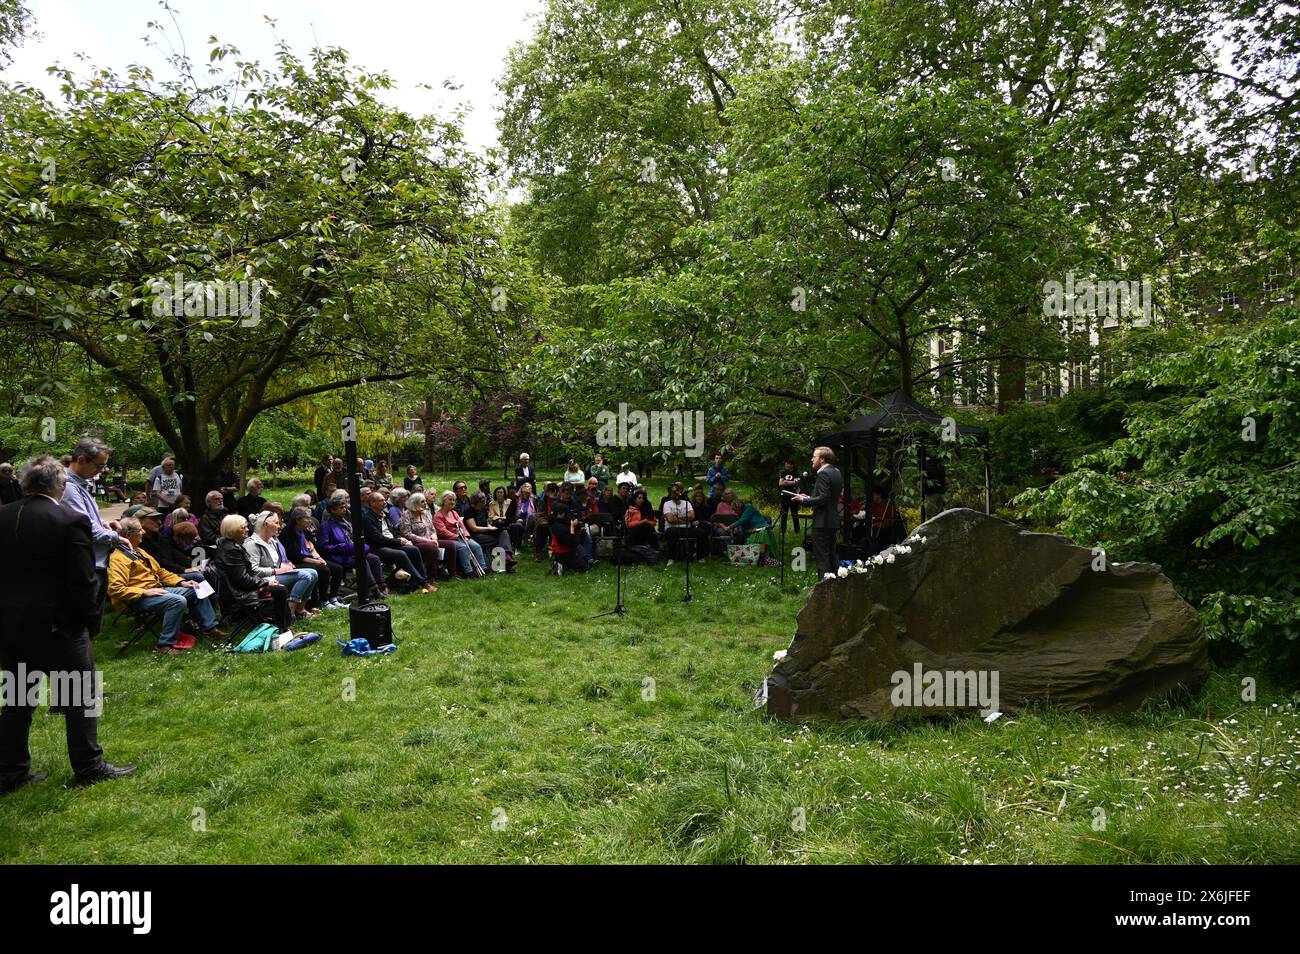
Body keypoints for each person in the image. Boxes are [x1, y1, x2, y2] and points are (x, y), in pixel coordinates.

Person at [0, 455, 136, 792]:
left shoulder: (2, 517)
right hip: (59, 626)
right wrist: (87, 623)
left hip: (11, 627)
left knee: (18, 700)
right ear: (60, 486)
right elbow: (84, 579)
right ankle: (88, 766)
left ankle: (11, 771)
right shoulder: (68, 520)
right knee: (79, 696)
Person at [110, 517, 223, 653]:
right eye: (140, 530)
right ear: (129, 535)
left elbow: (161, 572)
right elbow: (115, 589)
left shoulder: (138, 551)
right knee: (177, 601)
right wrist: (143, 592)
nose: (143, 532)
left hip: (156, 590)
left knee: (196, 588)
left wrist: (181, 582)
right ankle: (164, 645)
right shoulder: (118, 558)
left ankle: (209, 628)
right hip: (136, 599)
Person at [60, 438, 124, 639]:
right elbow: (87, 530)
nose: (103, 470)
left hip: (96, 562)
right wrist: (116, 537)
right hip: (87, 564)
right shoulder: (69, 488)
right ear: (81, 459)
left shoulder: (82, 485)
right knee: (83, 624)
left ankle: (85, 663)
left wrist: (105, 524)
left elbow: (90, 522)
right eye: (100, 465)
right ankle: (80, 665)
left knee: (92, 621)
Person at [213, 515, 290, 630]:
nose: (248, 529)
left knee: (278, 587)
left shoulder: (230, 546)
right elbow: (242, 579)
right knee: (280, 590)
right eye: (243, 527)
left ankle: (281, 624)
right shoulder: (231, 550)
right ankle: (282, 627)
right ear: (233, 530)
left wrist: (264, 581)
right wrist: (265, 583)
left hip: (239, 588)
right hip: (239, 593)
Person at [245, 511, 321, 620]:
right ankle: (290, 611)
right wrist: (276, 570)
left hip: (278, 574)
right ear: (265, 525)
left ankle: (301, 609)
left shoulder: (272, 541)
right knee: (305, 575)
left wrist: (286, 565)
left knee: (313, 572)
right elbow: (253, 570)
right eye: (276, 523)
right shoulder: (252, 544)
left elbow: (278, 561)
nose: (279, 526)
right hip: (265, 579)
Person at [361, 491, 437, 593]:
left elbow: (394, 531)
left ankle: (423, 578)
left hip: (391, 543)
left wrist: (402, 539)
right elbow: (378, 538)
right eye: (381, 500)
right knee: (401, 554)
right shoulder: (367, 518)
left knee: (413, 549)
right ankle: (422, 583)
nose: (385, 502)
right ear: (372, 503)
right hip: (377, 547)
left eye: (384, 500)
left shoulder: (384, 514)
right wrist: (398, 541)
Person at [317, 493, 388, 596]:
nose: (344, 510)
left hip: (353, 551)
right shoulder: (326, 526)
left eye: (345, 507)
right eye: (341, 508)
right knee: (361, 560)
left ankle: (382, 586)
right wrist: (344, 547)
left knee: (374, 559)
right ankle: (373, 589)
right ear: (332, 510)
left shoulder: (348, 524)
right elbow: (324, 547)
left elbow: (356, 538)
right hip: (339, 555)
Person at [281, 507, 346, 609]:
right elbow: (295, 555)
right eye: (307, 518)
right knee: (323, 570)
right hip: (295, 561)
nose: (310, 521)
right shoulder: (288, 533)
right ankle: (323, 601)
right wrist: (315, 562)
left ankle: (333, 597)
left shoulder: (305, 532)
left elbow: (312, 547)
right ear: (297, 520)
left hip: (309, 558)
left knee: (337, 568)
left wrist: (319, 558)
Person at [793, 446, 843, 577]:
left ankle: (823, 590)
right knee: (832, 556)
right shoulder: (836, 471)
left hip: (822, 521)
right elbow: (828, 496)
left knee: (822, 558)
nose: (812, 459)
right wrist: (809, 497)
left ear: (822, 459)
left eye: (814, 457)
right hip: (832, 520)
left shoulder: (823, 473)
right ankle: (835, 586)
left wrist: (804, 501)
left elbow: (823, 498)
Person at [398, 492, 455, 583]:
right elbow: (407, 534)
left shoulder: (425, 513)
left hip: (430, 540)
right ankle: (432, 576)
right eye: (423, 501)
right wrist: (427, 540)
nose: (425, 503)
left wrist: (434, 539)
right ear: (415, 503)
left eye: (425, 501)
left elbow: (432, 529)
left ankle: (451, 574)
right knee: (431, 548)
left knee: (450, 545)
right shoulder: (406, 515)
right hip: (416, 542)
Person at [433, 490, 486, 578]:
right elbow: (443, 531)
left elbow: (462, 526)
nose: (452, 502)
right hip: (447, 539)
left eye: (454, 500)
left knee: (475, 545)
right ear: (443, 501)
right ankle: (468, 572)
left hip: (460, 537)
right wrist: (457, 537)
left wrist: (466, 536)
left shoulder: (454, 513)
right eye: (450, 499)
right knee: (463, 547)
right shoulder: (438, 516)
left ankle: (483, 568)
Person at [465, 491, 515, 572]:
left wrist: (490, 526)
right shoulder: (469, 511)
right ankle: (503, 563)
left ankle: (505, 559)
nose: (485, 502)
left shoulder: (483, 510)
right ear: (478, 502)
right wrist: (489, 529)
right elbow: (474, 528)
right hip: (475, 536)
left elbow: (486, 522)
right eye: (483, 501)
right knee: (500, 539)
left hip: (486, 533)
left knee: (503, 532)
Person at [548, 504, 594, 573]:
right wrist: (572, 527)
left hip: (569, 552)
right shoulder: (556, 526)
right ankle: (560, 565)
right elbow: (571, 541)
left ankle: (587, 558)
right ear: (559, 513)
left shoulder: (562, 522)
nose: (567, 515)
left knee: (584, 535)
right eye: (565, 513)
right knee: (585, 569)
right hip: (562, 553)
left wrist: (578, 526)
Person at [661, 484, 697, 559]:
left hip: (686, 529)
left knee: (701, 533)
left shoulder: (687, 503)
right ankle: (671, 558)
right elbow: (670, 520)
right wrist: (686, 520)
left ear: (680, 491)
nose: (676, 493)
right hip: (672, 529)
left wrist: (677, 518)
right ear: (670, 494)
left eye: (677, 491)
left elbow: (692, 516)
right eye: (673, 492)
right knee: (672, 532)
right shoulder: (667, 504)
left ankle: (700, 557)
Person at [778, 460, 803, 533]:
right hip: (784, 495)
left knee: (794, 513)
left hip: (794, 496)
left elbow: (797, 483)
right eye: (785, 464)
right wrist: (792, 482)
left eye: (787, 464)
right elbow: (780, 483)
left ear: (792, 465)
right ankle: (783, 530)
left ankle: (797, 530)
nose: (786, 466)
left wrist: (786, 482)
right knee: (783, 513)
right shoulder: (783, 473)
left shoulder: (796, 473)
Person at [922, 452, 947, 520]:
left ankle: (932, 530)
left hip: (931, 493)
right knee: (940, 516)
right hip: (940, 492)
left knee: (932, 517)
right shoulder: (939, 461)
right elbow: (945, 478)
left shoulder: (925, 461)